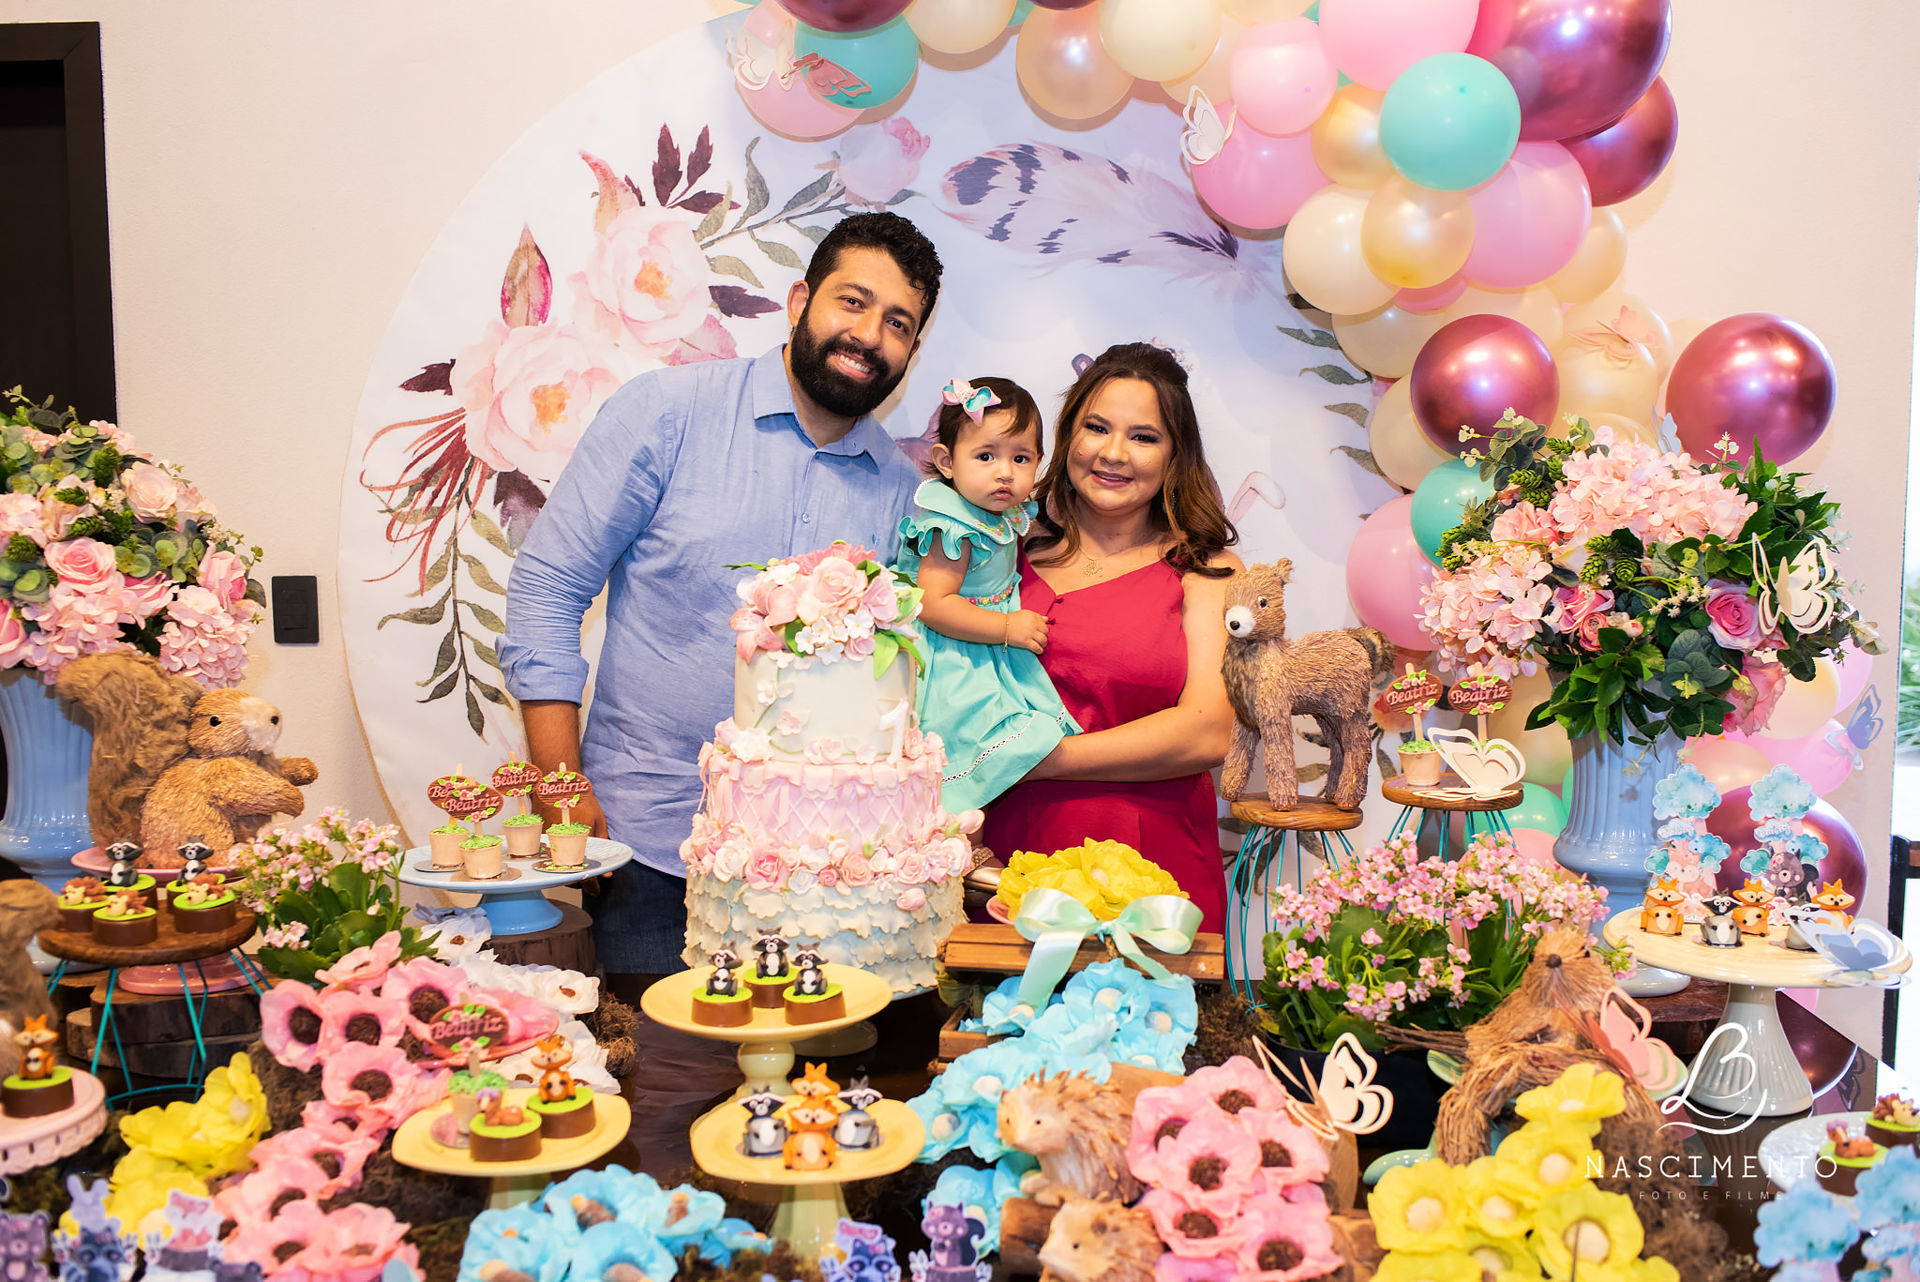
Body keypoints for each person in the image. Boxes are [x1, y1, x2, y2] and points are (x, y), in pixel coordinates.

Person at [500, 211, 941, 976]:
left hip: (827, 879)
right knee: (650, 1055)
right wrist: (559, 784)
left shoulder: (907, 496)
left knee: (825, 1061)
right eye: (853, 301)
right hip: (646, 849)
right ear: (800, 301)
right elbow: (549, 585)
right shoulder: (666, 414)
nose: (870, 335)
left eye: (898, 323)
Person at [981, 343, 1242, 931]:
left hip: (1150, 873)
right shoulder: (996, 552)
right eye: (1096, 427)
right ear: (1067, 436)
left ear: (1176, 455)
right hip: (999, 862)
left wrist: (1036, 759)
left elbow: (1207, 731)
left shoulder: (1207, 571)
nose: (1114, 453)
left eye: (1144, 437)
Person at [894, 375, 1079, 814]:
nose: (1005, 472)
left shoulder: (1002, 515)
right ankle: (953, 828)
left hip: (986, 642)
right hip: (951, 654)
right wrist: (1006, 626)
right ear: (946, 462)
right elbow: (933, 603)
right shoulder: (952, 525)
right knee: (964, 737)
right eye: (985, 456)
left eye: (1021, 458)